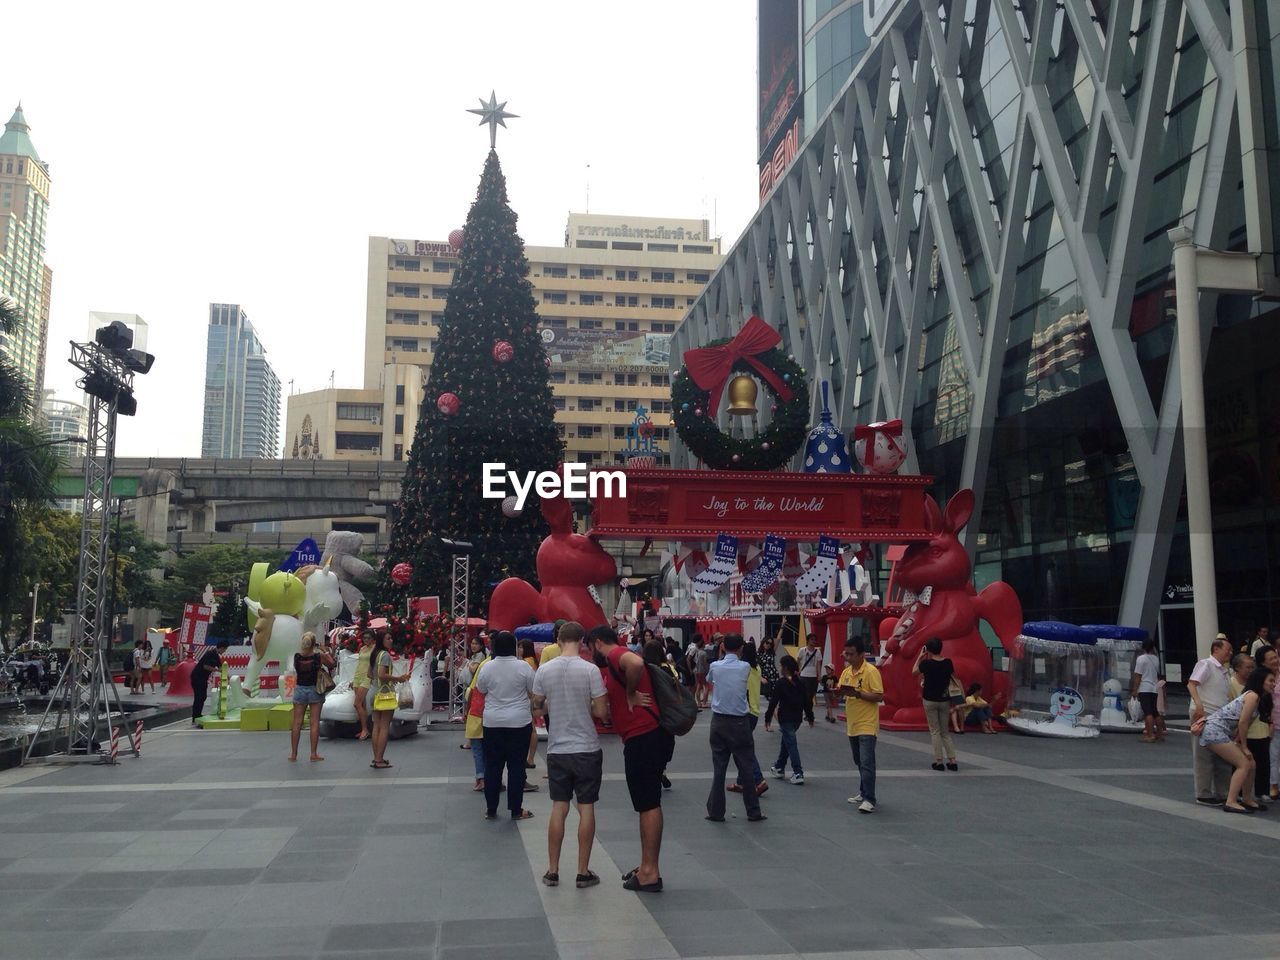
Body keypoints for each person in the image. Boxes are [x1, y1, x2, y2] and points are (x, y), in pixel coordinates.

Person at [589, 624, 670, 893]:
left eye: (591, 648)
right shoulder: (616, 657)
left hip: (643, 737)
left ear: (598, 642)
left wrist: (630, 693)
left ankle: (649, 872)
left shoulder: (615, 654)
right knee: (648, 802)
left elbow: (635, 663)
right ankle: (647, 865)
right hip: (648, 736)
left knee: (647, 804)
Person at [531, 622, 609, 889]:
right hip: (586, 747)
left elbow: (537, 707)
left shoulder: (544, 670)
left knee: (559, 807)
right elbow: (601, 712)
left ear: (559, 640)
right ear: (582, 641)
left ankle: (552, 870)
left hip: (558, 749)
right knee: (586, 807)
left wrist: (553, 703)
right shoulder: (591, 671)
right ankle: (582, 871)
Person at [705, 634, 766, 823]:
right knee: (746, 768)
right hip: (740, 722)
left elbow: (710, 678)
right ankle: (753, 811)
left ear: (723, 646)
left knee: (719, 769)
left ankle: (716, 812)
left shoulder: (715, 666)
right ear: (740, 648)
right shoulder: (745, 667)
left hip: (719, 721)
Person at [476, 631, 537, 821]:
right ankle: (516, 810)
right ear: (514, 646)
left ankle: (491, 809)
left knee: (493, 766)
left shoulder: (487, 667)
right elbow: (532, 690)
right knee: (516, 767)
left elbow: (481, 689)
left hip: (492, 722)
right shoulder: (524, 667)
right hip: (519, 722)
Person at [1196, 666, 1274, 814]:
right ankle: (1231, 801)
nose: (1273, 684)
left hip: (1218, 731)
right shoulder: (1253, 696)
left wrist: (1239, 742)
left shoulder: (1258, 699)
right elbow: (1243, 722)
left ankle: (1247, 799)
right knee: (1243, 764)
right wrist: (1244, 747)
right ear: (1260, 681)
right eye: (1270, 680)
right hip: (1215, 730)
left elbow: (1244, 725)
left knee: (1251, 763)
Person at [839, 637, 884, 813]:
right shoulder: (847, 672)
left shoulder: (871, 672)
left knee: (866, 761)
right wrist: (837, 693)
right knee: (859, 760)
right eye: (846, 654)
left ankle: (869, 798)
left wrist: (858, 694)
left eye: (851, 654)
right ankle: (863, 791)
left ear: (861, 654)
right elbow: (842, 690)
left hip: (867, 723)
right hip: (853, 722)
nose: (848, 657)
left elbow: (879, 696)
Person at [1188, 636, 1235, 805]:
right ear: (1216, 649)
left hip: (1219, 715)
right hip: (1206, 712)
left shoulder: (1225, 671)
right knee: (1204, 755)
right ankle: (1204, 793)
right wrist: (1199, 705)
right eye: (1227, 649)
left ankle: (1223, 791)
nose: (1230, 653)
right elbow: (1192, 684)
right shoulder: (1206, 664)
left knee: (1222, 755)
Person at [1229, 653, 1271, 804]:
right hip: (1242, 733)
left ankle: (1253, 795)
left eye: (1252, 667)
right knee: (1243, 764)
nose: (1251, 670)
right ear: (1237, 668)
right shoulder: (1234, 685)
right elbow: (1243, 720)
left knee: (1258, 763)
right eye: (1248, 667)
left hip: (1259, 730)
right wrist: (1242, 742)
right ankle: (1235, 797)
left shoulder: (1259, 690)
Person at [765, 653, 813, 783]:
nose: (779, 668)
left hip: (785, 717)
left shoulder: (781, 683)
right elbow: (806, 701)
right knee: (786, 742)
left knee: (791, 744)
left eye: (781, 666)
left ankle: (798, 772)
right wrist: (810, 716)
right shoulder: (800, 682)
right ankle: (779, 767)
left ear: (785, 668)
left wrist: (767, 718)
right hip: (797, 718)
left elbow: (773, 701)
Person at [289, 631, 335, 763]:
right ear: (313, 643)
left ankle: (293, 754)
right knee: (314, 722)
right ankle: (313, 754)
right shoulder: (318, 656)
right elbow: (332, 664)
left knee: (297, 722)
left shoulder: (297, 657)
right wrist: (324, 651)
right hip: (315, 689)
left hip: (299, 689)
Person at [728, 639, 767, 796]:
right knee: (741, 746)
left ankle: (759, 779)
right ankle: (741, 781)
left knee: (743, 749)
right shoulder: (756, 667)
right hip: (755, 711)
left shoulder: (743, 668)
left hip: (745, 711)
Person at [913, 638, 958, 771]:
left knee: (935, 731)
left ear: (928, 650)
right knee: (945, 732)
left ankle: (939, 761)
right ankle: (952, 760)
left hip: (929, 699)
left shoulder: (926, 664)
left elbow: (914, 671)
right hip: (944, 699)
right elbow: (954, 676)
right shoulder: (948, 663)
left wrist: (920, 657)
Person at [370, 630, 410, 770]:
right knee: (385, 726)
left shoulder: (374, 654)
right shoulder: (385, 655)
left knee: (376, 725)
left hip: (373, 691)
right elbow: (382, 675)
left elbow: (370, 674)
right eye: (388, 638)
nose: (391, 640)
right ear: (382, 640)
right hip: (384, 693)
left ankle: (376, 758)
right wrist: (397, 679)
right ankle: (379, 759)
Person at [642, 640, 677, 791]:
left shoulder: (642, 669)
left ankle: (653, 771)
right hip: (666, 713)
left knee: (647, 744)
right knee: (666, 745)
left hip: (647, 712)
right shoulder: (667, 668)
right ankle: (661, 769)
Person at [1130, 639, 1166, 742]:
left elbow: (1138, 675)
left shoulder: (1141, 659)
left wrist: (1135, 689)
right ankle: (1159, 734)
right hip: (1154, 688)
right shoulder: (1156, 659)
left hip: (1144, 687)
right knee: (1155, 712)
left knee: (1148, 712)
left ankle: (1150, 735)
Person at [460, 634, 488, 751]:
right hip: (470, 687)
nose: (473, 646)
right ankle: (469, 740)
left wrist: (468, 664)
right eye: (472, 643)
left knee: (471, 714)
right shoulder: (475, 656)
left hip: (473, 688)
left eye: (476, 643)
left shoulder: (480, 656)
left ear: (481, 645)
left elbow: (474, 669)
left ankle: (470, 741)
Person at [190, 640, 228, 724]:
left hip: (203, 678)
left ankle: (198, 715)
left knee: (203, 696)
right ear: (221, 648)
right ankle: (195, 716)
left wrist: (226, 675)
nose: (224, 651)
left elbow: (221, 667)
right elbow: (205, 666)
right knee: (199, 696)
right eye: (224, 649)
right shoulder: (210, 653)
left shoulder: (216, 656)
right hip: (197, 676)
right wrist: (216, 670)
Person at [519, 638, 540, 770]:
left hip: (528, 699)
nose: (518, 649)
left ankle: (530, 758)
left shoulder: (527, 662)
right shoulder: (532, 660)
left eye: (521, 647)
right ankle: (530, 758)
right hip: (531, 698)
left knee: (532, 729)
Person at [353, 630, 375, 741]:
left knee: (356, 704)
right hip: (357, 676)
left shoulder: (374, 649)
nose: (366, 639)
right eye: (364, 637)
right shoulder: (362, 649)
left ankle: (365, 729)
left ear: (372, 638)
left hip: (367, 677)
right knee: (362, 704)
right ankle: (365, 729)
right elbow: (360, 663)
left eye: (368, 638)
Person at [797, 634, 823, 714]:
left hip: (813, 676)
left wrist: (819, 675)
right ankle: (806, 712)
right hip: (804, 675)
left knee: (811, 695)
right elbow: (797, 661)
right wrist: (797, 671)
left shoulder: (817, 651)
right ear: (808, 640)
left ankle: (808, 712)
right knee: (805, 695)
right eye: (812, 639)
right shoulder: (802, 650)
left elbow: (818, 665)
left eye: (815, 640)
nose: (814, 641)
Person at [692, 635, 711, 709]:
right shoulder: (704, 653)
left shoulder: (696, 652)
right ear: (703, 644)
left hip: (696, 671)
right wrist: (707, 670)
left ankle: (699, 702)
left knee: (698, 686)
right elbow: (705, 663)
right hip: (702, 671)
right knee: (706, 687)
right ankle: (704, 702)